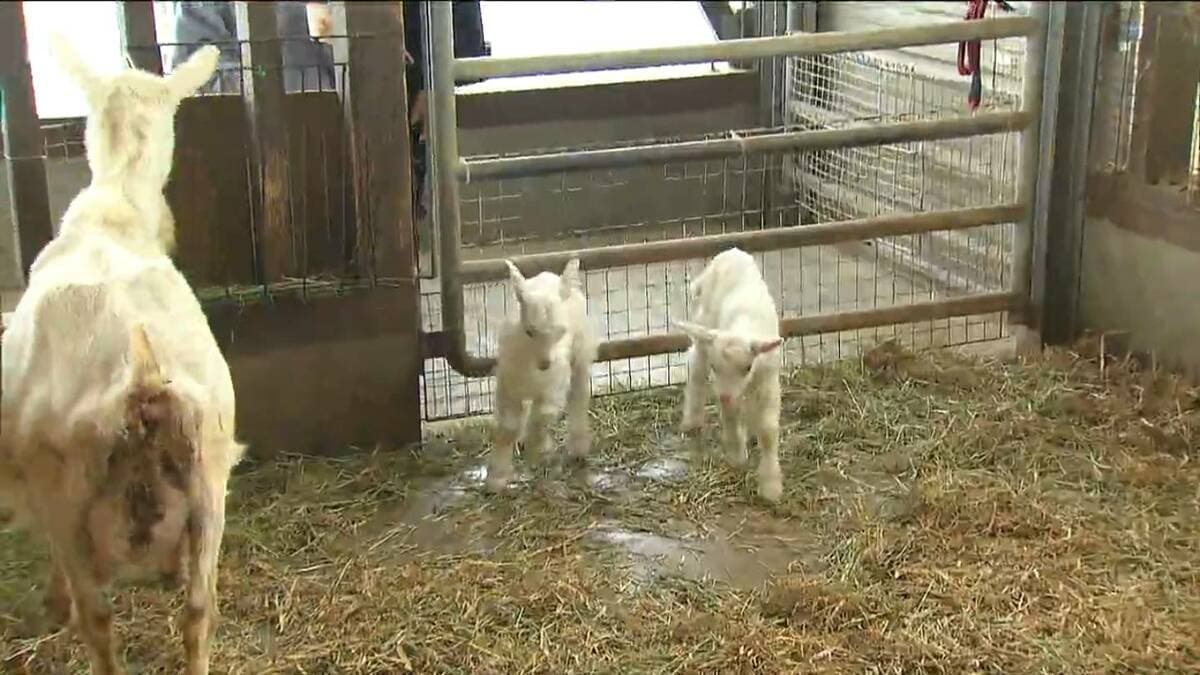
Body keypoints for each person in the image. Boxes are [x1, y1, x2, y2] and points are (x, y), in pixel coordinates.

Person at [170, 1, 337, 94]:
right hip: (249, 140)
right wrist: (300, 20)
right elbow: (201, 81)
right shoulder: (202, 6)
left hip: (335, 137)